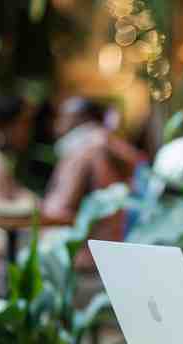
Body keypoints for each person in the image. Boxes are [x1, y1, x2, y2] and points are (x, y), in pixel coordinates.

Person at [43, 97, 146, 270]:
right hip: (114, 247)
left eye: (63, 117)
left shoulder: (84, 151)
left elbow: (60, 208)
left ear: (82, 119)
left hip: (84, 254)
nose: (57, 124)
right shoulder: (115, 148)